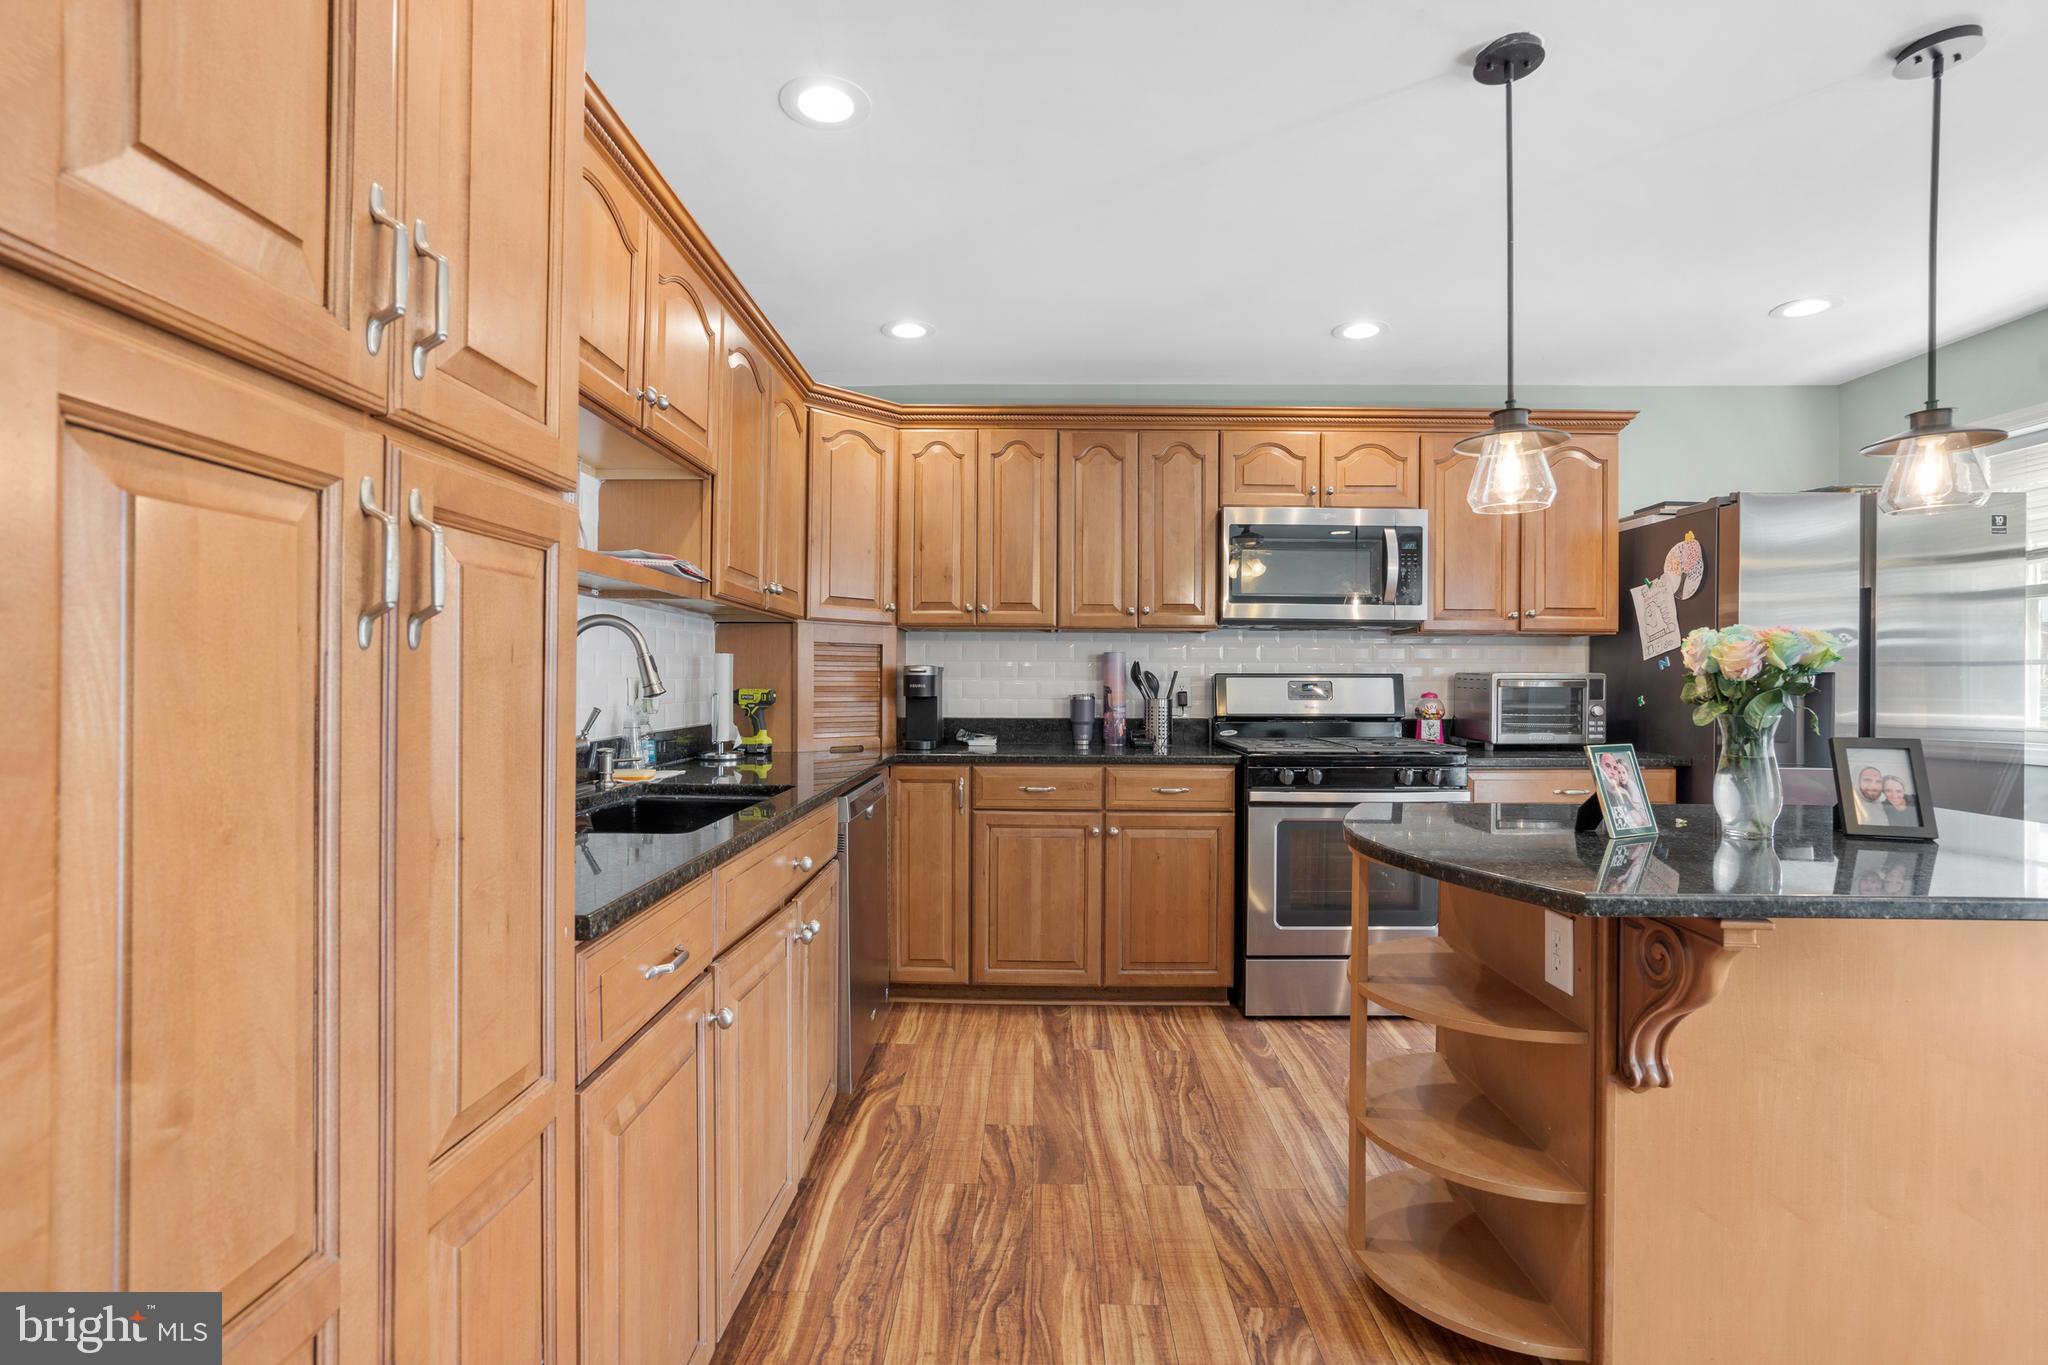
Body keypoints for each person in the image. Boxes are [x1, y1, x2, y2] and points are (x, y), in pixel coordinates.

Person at [1597, 752, 1651, 830]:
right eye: (1608, 766)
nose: (1613, 772)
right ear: (1599, 768)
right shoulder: (1608, 790)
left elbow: (1640, 821)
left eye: (1615, 768)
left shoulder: (1628, 787)